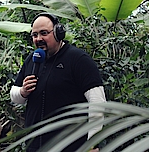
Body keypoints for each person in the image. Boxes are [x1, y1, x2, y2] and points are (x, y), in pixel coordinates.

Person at [10, 13, 106, 152]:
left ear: (58, 33)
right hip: (35, 145)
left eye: (44, 33)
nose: (39, 39)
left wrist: (91, 143)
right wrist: (23, 91)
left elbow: (97, 102)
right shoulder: (32, 59)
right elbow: (15, 96)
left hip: (70, 146)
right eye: (35, 35)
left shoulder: (78, 59)